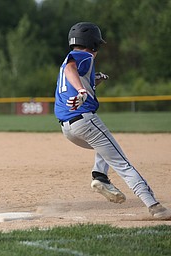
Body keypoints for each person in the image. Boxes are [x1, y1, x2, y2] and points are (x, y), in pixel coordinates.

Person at [54, 22, 171, 220]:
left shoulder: (65, 61)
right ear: (93, 44)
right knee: (122, 162)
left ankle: (100, 176)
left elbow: (71, 73)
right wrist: (83, 90)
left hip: (68, 127)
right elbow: (72, 70)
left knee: (105, 147)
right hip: (85, 121)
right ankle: (155, 207)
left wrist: (92, 81)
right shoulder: (84, 56)